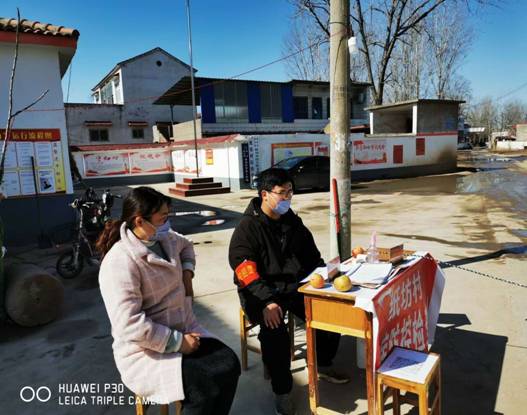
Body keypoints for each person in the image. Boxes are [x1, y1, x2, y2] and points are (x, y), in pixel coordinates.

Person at [97, 186, 240, 414]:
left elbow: (186, 247)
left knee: (229, 364)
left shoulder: (164, 239)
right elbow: (129, 325)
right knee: (204, 385)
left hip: (185, 328)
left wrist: (187, 274)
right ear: (139, 221)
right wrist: (177, 342)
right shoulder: (120, 262)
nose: (167, 222)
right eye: (162, 218)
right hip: (146, 350)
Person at [228, 169, 348, 415]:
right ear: (265, 194)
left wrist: (325, 275)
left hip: (293, 286)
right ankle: (282, 390)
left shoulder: (292, 221)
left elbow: (312, 256)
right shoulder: (248, 228)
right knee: (275, 334)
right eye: (282, 193)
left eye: (290, 192)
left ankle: (323, 364)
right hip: (258, 291)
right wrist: (267, 301)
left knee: (330, 310)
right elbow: (245, 271)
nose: (288, 198)